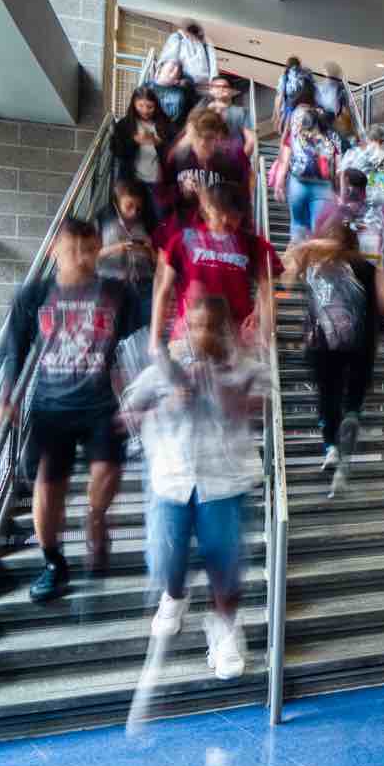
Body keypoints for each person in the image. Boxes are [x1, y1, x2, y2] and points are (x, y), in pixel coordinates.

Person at [0, 217, 147, 603]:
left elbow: (141, 342)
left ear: (99, 249)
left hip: (100, 404)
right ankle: (53, 562)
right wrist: (7, 400)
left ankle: (96, 516)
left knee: (108, 475)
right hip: (51, 406)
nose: (82, 258)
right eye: (73, 250)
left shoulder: (119, 293)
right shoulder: (32, 295)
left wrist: (138, 396)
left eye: (89, 249)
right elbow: (13, 351)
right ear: (54, 252)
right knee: (48, 488)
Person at [120, 291, 265, 680]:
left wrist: (233, 397)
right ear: (185, 326)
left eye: (212, 328)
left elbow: (266, 404)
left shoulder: (243, 366)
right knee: (167, 558)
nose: (202, 335)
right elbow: (126, 413)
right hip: (171, 479)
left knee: (225, 564)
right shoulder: (165, 369)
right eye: (195, 326)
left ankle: (226, 629)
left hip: (224, 480)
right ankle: (175, 594)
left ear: (227, 330)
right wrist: (163, 406)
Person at [286, 219, 384, 497]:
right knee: (351, 398)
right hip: (360, 344)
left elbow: (288, 268)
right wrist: (380, 334)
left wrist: (314, 244)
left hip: (321, 345)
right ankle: (351, 419)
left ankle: (330, 446)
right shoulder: (368, 267)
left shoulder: (314, 268)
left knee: (327, 395)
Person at [152, 182, 279, 355]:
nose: (227, 220)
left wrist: (262, 327)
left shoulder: (253, 244)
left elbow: (267, 290)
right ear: (208, 210)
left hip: (235, 341)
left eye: (234, 216)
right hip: (189, 337)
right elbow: (164, 290)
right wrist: (154, 340)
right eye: (221, 214)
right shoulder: (184, 240)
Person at [322, 168, 384, 300]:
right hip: (379, 280)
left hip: (347, 281)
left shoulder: (335, 215)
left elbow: (321, 241)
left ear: (347, 190)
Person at [166, 106, 252, 229]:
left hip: (221, 229)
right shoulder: (178, 156)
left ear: (220, 137)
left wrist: (208, 198)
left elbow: (242, 200)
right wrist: (181, 189)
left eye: (211, 138)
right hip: (186, 227)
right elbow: (165, 191)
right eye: (199, 137)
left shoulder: (233, 158)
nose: (203, 143)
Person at [97, 179, 160, 318]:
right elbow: (93, 256)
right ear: (116, 204)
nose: (133, 213)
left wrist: (147, 250)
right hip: (111, 283)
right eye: (129, 206)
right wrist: (117, 248)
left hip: (142, 283)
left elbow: (157, 261)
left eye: (138, 208)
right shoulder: (104, 223)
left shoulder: (145, 225)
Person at [111, 85, 174, 217]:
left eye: (150, 107)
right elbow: (117, 151)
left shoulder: (164, 123)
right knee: (131, 214)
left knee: (158, 214)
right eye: (140, 106)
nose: (145, 111)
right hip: (132, 179)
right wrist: (134, 142)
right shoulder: (124, 125)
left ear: (156, 106)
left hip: (157, 179)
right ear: (134, 104)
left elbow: (172, 150)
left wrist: (157, 142)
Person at [280, 105, 340, 240]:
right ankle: (314, 257)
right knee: (319, 228)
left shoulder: (295, 134)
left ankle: (298, 257)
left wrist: (281, 181)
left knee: (298, 225)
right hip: (323, 186)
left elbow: (285, 160)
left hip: (298, 183)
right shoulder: (333, 137)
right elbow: (338, 169)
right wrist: (338, 191)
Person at [345, 125, 384, 210]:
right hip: (381, 198)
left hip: (382, 201)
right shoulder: (379, 155)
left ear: (374, 140)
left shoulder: (381, 154)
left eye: (368, 141)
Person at [201, 74, 256, 156]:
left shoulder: (241, 112)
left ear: (232, 91)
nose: (221, 89)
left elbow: (251, 140)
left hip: (234, 158)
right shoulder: (203, 111)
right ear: (210, 90)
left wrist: (240, 161)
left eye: (225, 86)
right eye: (216, 86)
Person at [155, 19, 219, 89]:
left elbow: (213, 65)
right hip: (181, 81)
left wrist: (213, 83)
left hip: (201, 85)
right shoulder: (177, 37)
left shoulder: (206, 44)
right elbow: (171, 58)